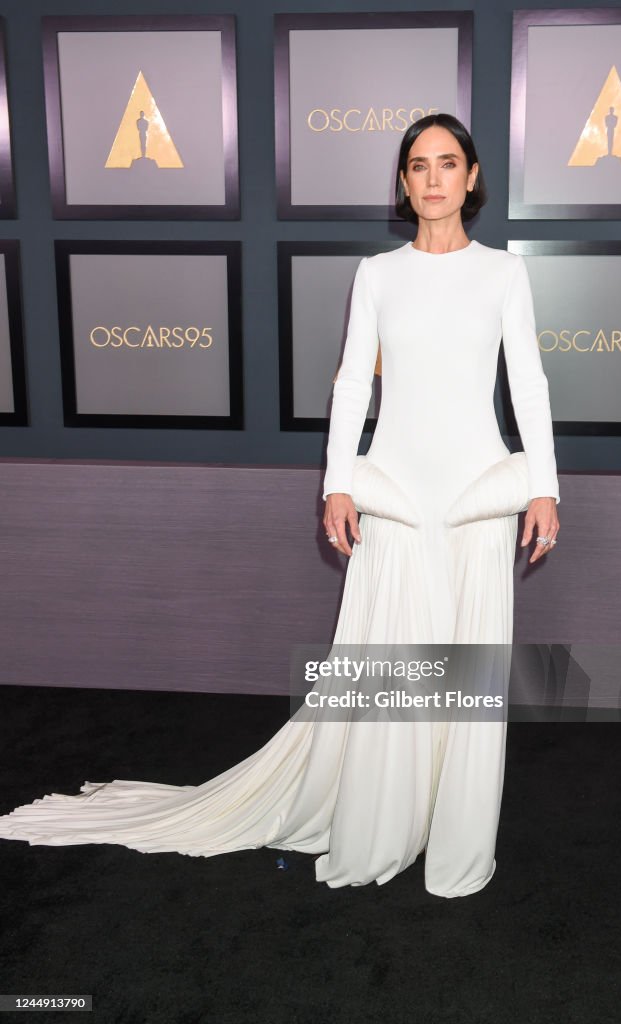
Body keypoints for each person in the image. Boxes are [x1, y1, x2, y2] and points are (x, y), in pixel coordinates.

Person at [0, 113, 560, 898]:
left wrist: (545, 485)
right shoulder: (378, 274)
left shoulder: (504, 274)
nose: (433, 178)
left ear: (472, 178)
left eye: (447, 163)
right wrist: (336, 481)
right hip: (394, 493)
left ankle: (456, 840)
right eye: (417, 165)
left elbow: (527, 383)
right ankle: (384, 823)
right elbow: (350, 384)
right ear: (404, 185)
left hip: (475, 499)